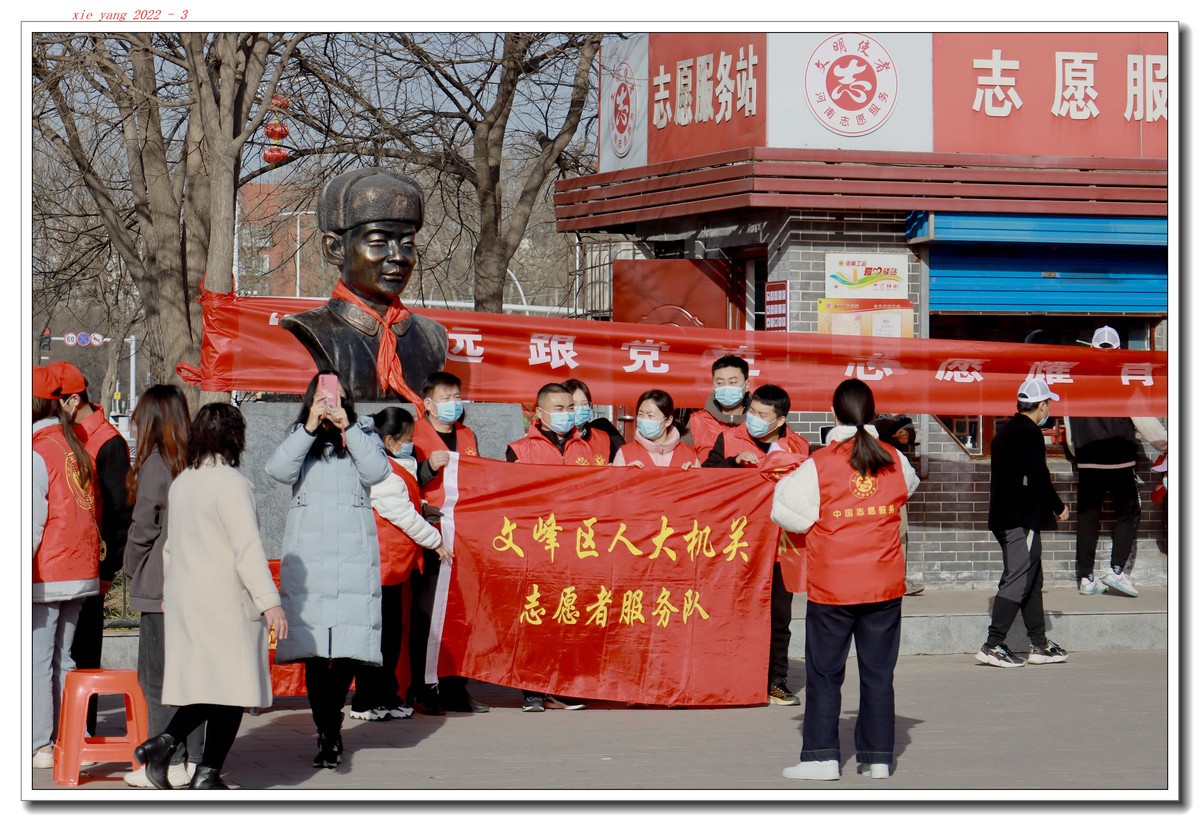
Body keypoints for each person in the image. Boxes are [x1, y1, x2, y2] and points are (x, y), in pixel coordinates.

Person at [771, 378, 920, 780]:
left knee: (824, 673)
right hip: (884, 583)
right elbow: (908, 489)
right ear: (872, 414)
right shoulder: (894, 457)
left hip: (834, 585)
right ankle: (878, 758)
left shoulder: (818, 463)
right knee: (878, 673)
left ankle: (821, 757)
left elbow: (786, 511)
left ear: (834, 413)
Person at [134, 403, 287, 790]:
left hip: (188, 598)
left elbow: (170, 548)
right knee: (234, 687)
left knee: (211, 685)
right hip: (226, 601)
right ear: (237, 437)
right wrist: (270, 601)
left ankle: (168, 745)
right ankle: (203, 770)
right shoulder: (232, 483)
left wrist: (171, 592)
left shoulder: (184, 481)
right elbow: (247, 548)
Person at [265, 370, 391, 768]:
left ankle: (331, 722)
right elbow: (277, 471)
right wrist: (309, 425)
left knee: (349, 652)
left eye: (336, 395)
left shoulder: (363, 433)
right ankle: (327, 732)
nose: (330, 401)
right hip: (312, 558)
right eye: (323, 395)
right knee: (318, 654)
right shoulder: (300, 436)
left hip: (352, 557)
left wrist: (348, 427)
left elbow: (378, 473)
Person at [281, 168, 447, 403]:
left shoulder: (433, 337)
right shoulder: (311, 330)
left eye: (407, 243)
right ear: (335, 249)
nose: (398, 256)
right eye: (379, 241)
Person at [703, 384, 810, 707]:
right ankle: (732, 678)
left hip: (779, 547)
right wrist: (734, 464)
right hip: (737, 546)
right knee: (733, 613)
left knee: (779, 618)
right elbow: (705, 479)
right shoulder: (729, 439)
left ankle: (775, 681)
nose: (754, 420)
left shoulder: (799, 447)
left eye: (763, 415)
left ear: (780, 421)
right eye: (752, 412)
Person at [121, 385, 203, 788]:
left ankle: (164, 764)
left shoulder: (157, 463)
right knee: (193, 677)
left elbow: (143, 529)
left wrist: (130, 569)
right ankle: (192, 760)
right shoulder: (197, 462)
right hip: (196, 582)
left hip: (161, 585)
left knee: (156, 679)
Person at [505, 383, 603, 711]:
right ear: (540, 413)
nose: (567, 414)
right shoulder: (518, 450)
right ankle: (531, 687)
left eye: (570, 408)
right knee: (535, 618)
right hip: (537, 546)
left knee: (569, 617)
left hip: (575, 548)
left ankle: (562, 685)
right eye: (559, 409)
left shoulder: (584, 449)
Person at [50, 361, 132, 736]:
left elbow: (119, 513)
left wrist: (107, 571)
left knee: (83, 652)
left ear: (72, 400)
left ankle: (81, 727)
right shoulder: (56, 438)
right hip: (57, 563)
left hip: (90, 567)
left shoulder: (108, 442)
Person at [350, 407, 446, 722]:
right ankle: (366, 699)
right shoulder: (382, 470)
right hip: (382, 562)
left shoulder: (392, 465)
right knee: (378, 635)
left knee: (390, 634)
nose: (410, 444)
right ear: (389, 440)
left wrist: (424, 507)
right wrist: (434, 540)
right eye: (406, 438)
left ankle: (386, 695)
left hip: (393, 564)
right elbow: (400, 514)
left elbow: (406, 505)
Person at [1065, 326, 1168, 598]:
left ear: (1093, 349)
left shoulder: (1075, 383)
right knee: (1130, 513)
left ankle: (1086, 579)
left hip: (1088, 464)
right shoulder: (1124, 381)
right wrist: (1167, 444)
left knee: (1088, 520)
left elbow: (1069, 428)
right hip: (1119, 464)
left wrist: (1079, 454)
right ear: (1119, 350)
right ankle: (1116, 571)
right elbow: (1144, 421)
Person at [31, 366, 100, 769]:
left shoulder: (36, 451)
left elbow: (31, 521)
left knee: (39, 659)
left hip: (47, 571)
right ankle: (73, 735)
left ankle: (40, 742)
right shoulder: (75, 446)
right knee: (65, 658)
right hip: (79, 567)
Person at [976, 378, 1070, 669]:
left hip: (1008, 517)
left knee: (1031, 580)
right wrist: (1058, 506)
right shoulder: (1029, 432)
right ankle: (993, 645)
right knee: (1019, 577)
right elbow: (1038, 474)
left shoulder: (1006, 430)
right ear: (1042, 405)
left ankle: (1039, 644)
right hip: (1019, 519)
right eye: (1048, 404)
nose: (1049, 409)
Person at [410, 371, 489, 715]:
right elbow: (401, 481)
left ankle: (457, 687)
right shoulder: (414, 434)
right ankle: (425, 688)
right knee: (427, 613)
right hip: (432, 530)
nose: (454, 403)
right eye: (446, 397)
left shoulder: (467, 434)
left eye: (457, 396)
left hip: (467, 533)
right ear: (428, 404)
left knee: (462, 612)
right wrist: (427, 467)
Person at [869, 413, 924, 596]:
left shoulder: (898, 407)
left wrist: (906, 433)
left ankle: (898, 580)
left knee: (899, 532)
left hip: (893, 475)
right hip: (864, 476)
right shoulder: (861, 402)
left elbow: (908, 428)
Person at [685, 354, 752, 463]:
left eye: (733, 382)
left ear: (747, 384)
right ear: (713, 385)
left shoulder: (762, 421)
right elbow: (683, 460)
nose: (726, 387)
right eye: (720, 383)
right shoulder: (697, 421)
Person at [612, 389, 699, 468]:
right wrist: (624, 476)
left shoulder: (689, 455)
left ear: (668, 421)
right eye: (641, 414)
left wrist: (694, 475)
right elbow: (614, 484)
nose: (644, 420)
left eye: (650, 415)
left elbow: (702, 484)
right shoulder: (625, 453)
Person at [563, 378, 625, 463]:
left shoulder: (603, 437)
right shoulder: (553, 439)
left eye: (584, 404)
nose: (580, 408)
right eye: (574, 404)